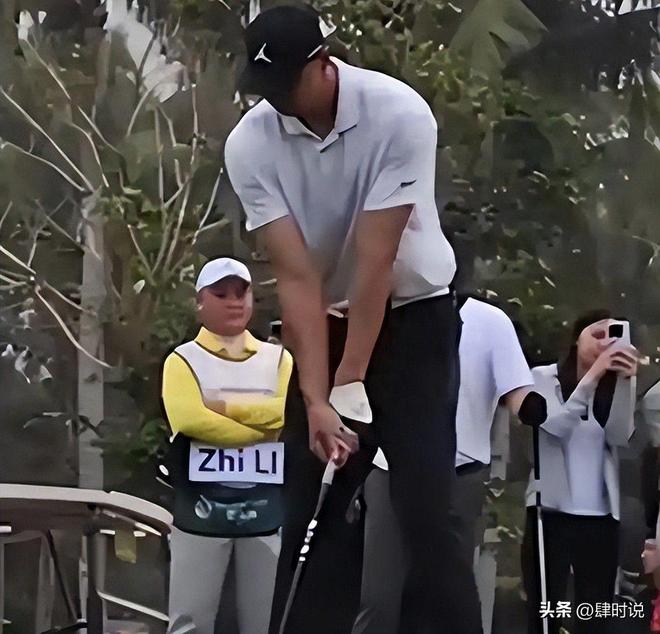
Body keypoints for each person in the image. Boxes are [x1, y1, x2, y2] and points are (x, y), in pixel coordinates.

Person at [224, 5, 482, 633]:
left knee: (423, 508)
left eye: (287, 81)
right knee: (311, 506)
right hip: (328, 320)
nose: (276, 99)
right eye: (265, 86)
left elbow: (376, 263)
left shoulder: (398, 113)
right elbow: (297, 280)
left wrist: (351, 381)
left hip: (416, 321)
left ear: (323, 62)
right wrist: (318, 399)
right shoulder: (249, 144)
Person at [352, 295, 538, 634]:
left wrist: (530, 406)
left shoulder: (490, 320)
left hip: (458, 474)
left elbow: (516, 387)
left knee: (447, 594)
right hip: (390, 467)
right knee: (380, 596)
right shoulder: (386, 311)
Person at [161, 257, 293, 634]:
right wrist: (261, 429)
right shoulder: (182, 360)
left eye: (241, 293)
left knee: (268, 622)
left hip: (266, 510)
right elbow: (191, 420)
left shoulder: (279, 359)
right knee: (189, 621)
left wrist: (223, 407)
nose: (233, 302)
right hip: (199, 511)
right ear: (200, 302)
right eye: (221, 294)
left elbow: (288, 414)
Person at [521, 310, 639, 634]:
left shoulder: (614, 383)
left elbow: (619, 435)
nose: (605, 343)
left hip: (601, 517)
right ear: (577, 338)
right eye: (597, 334)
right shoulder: (544, 377)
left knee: (594, 611)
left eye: (612, 336)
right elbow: (554, 425)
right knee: (546, 609)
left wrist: (625, 382)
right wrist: (593, 376)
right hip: (550, 512)